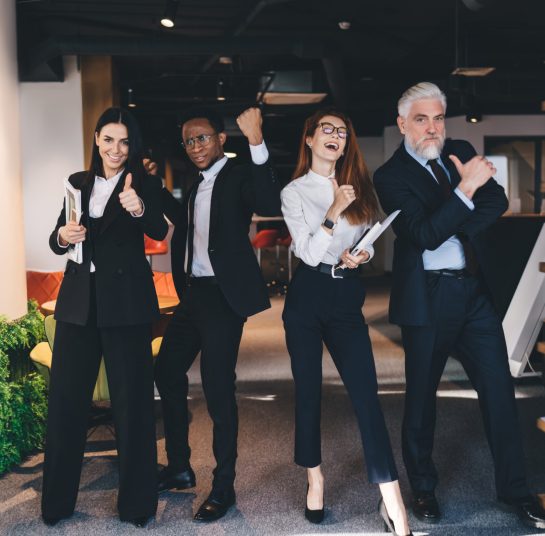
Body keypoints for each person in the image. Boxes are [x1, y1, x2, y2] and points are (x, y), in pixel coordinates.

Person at [373, 82, 545, 530]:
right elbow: (422, 236)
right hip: (427, 300)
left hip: (474, 295)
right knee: (421, 401)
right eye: (421, 119)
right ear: (402, 124)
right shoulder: (390, 177)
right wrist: (465, 188)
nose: (432, 128)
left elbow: (497, 201)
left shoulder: (461, 147)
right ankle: (423, 489)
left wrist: (454, 213)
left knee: (499, 394)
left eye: (437, 118)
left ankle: (516, 492)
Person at [281, 109, 412, 536]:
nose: (336, 136)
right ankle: (314, 478)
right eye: (327, 130)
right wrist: (334, 210)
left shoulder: (360, 186)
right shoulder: (295, 191)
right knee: (308, 393)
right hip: (307, 296)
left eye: (342, 131)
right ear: (309, 139)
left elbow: (371, 240)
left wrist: (362, 254)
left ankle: (392, 497)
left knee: (366, 394)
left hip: (345, 295)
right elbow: (306, 252)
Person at [42, 107, 167, 527]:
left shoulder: (144, 183)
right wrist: (62, 236)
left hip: (127, 305)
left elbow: (160, 231)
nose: (116, 149)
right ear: (97, 139)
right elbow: (59, 234)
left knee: (132, 406)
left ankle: (137, 506)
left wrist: (137, 206)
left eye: (125, 141)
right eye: (109, 139)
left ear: (133, 146)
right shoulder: (77, 183)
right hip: (79, 304)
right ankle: (56, 504)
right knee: (64, 404)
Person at [155, 106, 281, 522]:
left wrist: (257, 141)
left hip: (224, 300)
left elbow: (266, 199)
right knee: (167, 371)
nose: (195, 147)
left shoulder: (239, 173)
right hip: (193, 296)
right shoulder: (194, 185)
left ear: (221, 139)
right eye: (189, 141)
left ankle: (223, 486)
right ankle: (179, 466)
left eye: (203, 138)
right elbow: (184, 229)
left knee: (217, 390)